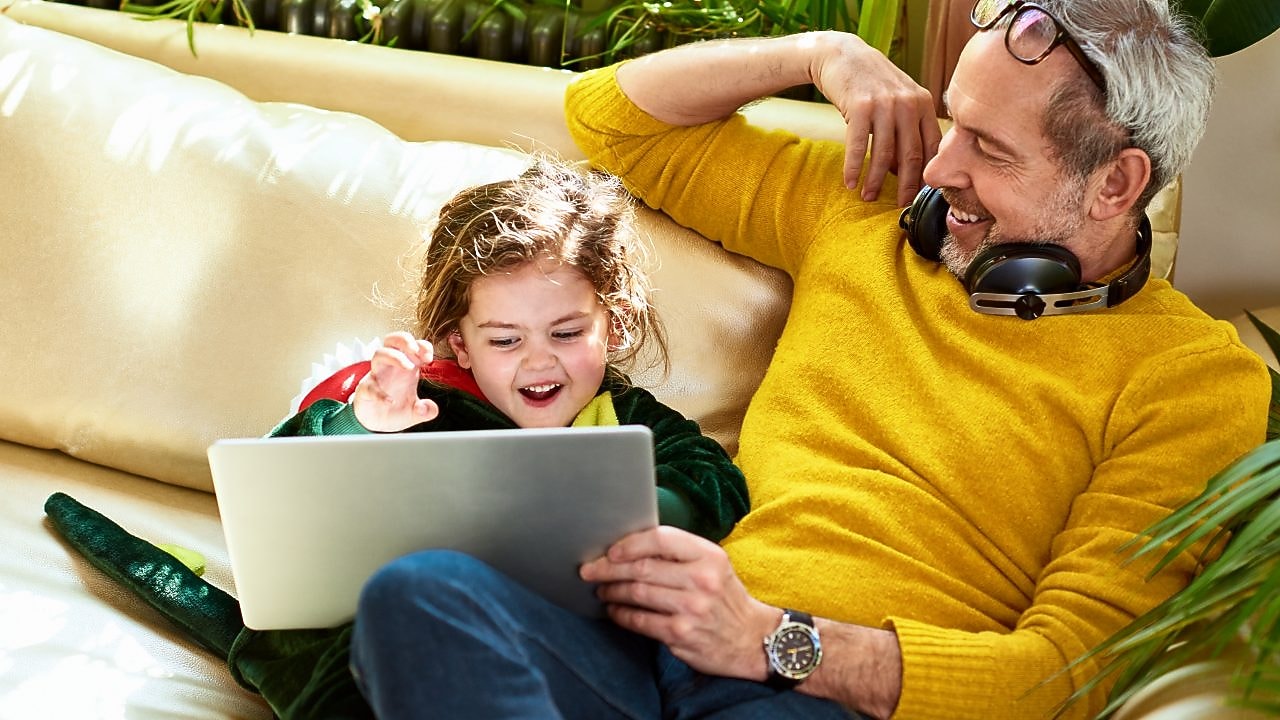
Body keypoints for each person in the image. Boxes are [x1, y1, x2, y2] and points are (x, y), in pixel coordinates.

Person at [347, 1, 1272, 718]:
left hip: (819, 692)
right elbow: (613, 120)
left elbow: (1068, 676)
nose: (939, 168)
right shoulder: (866, 211)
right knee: (420, 596)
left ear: (1115, 183)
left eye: (989, 148)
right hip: (655, 645)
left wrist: (771, 641)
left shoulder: (1192, 379)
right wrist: (820, 53)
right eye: (951, 121)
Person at [43, 157, 749, 720]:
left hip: (559, 652)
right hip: (369, 661)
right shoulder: (424, 404)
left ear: (612, 326)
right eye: (505, 340)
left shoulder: (627, 416)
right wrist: (366, 424)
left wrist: (637, 517)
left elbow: (712, 475)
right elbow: (283, 485)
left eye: (566, 333)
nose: (540, 362)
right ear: (459, 344)